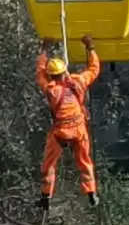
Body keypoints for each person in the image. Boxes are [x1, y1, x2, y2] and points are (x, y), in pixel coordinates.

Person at [36, 35, 100, 210]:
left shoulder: (51, 90)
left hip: (60, 133)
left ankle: (45, 196)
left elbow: (40, 72)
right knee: (85, 162)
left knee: (48, 164)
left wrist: (44, 50)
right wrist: (90, 47)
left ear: (52, 76)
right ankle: (91, 193)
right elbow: (94, 69)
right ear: (64, 71)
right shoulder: (79, 82)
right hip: (78, 130)